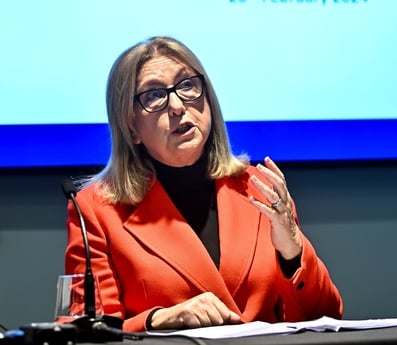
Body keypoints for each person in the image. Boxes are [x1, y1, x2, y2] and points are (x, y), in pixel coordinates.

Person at [63, 35, 343, 332]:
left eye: (187, 86)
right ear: (130, 126)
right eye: (154, 95)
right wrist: (156, 320)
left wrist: (293, 251)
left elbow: (326, 317)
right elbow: (81, 330)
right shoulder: (94, 210)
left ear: (208, 100)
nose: (176, 105)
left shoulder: (260, 188)